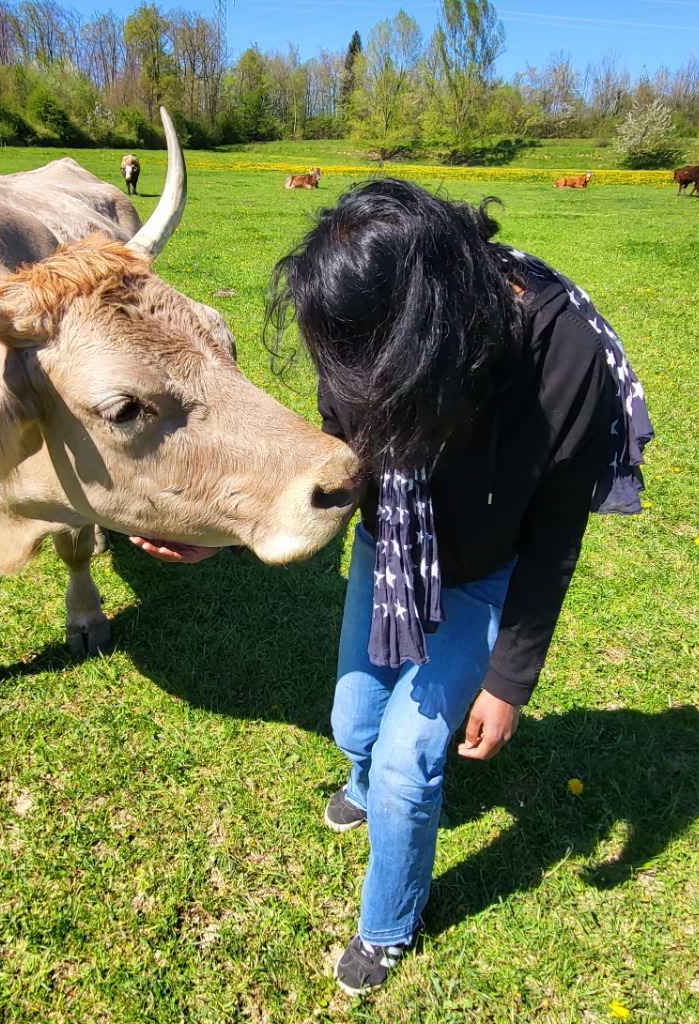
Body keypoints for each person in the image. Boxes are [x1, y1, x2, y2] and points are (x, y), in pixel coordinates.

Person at [265, 178, 653, 996]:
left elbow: (553, 534)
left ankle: (387, 926)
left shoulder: (565, 354)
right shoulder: (364, 313)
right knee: (353, 722)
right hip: (387, 545)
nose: (359, 384)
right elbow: (334, 447)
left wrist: (508, 679)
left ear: (434, 321)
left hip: (483, 572)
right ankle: (360, 782)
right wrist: (218, 535)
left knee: (410, 763)